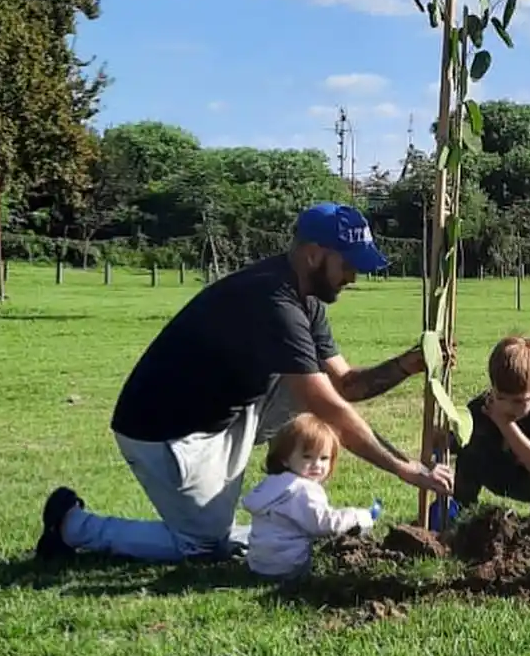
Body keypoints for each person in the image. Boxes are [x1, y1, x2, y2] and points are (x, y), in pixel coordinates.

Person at [35, 202, 453, 563]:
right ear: (313, 254)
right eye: (347, 264)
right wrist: (405, 468)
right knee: (202, 546)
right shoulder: (272, 301)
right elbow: (326, 405)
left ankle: (261, 513)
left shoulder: (305, 299)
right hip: (167, 432)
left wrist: (407, 364)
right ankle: (72, 525)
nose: (353, 277)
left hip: (227, 410)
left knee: (318, 388)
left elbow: (343, 385)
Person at [242, 414, 377, 578]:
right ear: (284, 458)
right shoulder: (302, 490)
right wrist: (359, 516)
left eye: (324, 458)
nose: (317, 465)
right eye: (307, 457)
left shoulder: (272, 484)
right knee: (334, 547)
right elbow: (325, 524)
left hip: (260, 563)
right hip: (290, 565)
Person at [452, 336, 530, 507]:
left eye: (519, 401)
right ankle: (462, 513)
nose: (508, 407)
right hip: (494, 473)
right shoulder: (481, 407)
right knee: (468, 452)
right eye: (501, 397)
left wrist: (504, 423)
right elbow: (454, 445)